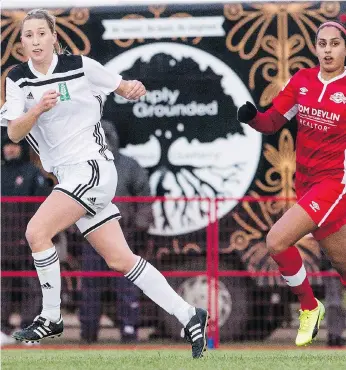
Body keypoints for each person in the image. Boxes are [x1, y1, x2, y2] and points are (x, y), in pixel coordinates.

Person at [0, 9, 208, 358]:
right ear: (21, 42)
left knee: (37, 232)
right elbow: (13, 132)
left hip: (92, 169)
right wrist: (36, 111)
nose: (34, 41)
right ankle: (189, 314)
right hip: (70, 177)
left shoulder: (81, 65)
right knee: (121, 260)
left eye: (41, 34)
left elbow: (124, 86)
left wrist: (132, 89)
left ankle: (50, 316)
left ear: (54, 37)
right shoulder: (18, 79)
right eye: (28, 35)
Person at [237, 20, 346, 346]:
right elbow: (272, 121)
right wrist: (252, 117)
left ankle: (310, 307)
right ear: (315, 48)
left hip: (334, 183)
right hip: (306, 185)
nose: (328, 50)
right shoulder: (303, 81)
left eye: (335, 44)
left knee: (276, 241)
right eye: (322, 44)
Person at [79, 120, 153, 343]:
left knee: (126, 286)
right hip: (92, 237)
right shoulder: (86, 167)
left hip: (123, 236)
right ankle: (88, 332)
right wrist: (75, 231)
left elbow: (144, 198)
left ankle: (129, 330)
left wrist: (140, 227)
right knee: (91, 288)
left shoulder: (129, 166)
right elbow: (71, 201)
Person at [1, 136, 50, 346]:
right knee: (3, 286)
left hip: (29, 242)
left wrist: (33, 235)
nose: (10, 150)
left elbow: (42, 207)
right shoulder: (1, 172)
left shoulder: (33, 173)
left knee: (31, 286)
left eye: (13, 146)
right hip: (3, 242)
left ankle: (29, 328)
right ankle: (2, 328)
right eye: (6, 146)